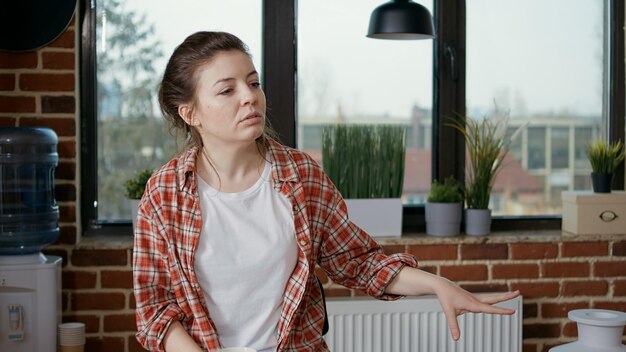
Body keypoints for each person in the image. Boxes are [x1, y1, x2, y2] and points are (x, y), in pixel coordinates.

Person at [132, 31, 520, 352]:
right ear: (190, 113)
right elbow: (155, 309)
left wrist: (437, 284)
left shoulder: (301, 177)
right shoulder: (164, 194)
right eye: (226, 90)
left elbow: (358, 262)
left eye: (253, 82)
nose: (249, 96)